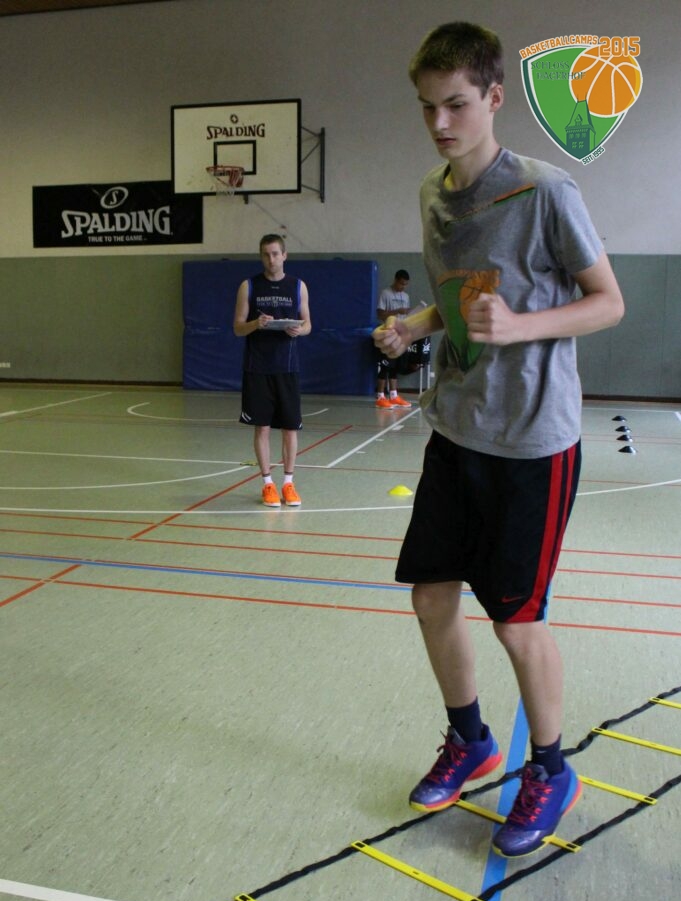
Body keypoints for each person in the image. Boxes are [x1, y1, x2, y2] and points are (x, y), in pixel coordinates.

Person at [373, 22, 624, 857]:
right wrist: (413, 325)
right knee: (431, 596)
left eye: (455, 104)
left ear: (492, 97)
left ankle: (550, 769)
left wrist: (519, 327)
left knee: (516, 622)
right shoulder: (432, 193)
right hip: (456, 428)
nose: (440, 123)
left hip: (531, 441)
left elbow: (607, 302)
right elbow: (460, 294)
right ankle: (470, 739)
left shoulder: (545, 191)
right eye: (426, 107)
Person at [233, 234, 311, 508]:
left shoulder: (298, 286)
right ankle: (268, 484)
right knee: (262, 427)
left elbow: (308, 324)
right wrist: (256, 323)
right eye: (266, 254)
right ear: (261, 256)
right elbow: (237, 328)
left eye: (276, 254)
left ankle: (288, 483)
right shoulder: (248, 286)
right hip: (257, 368)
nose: (271, 259)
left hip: (287, 368)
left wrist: (298, 330)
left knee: (290, 428)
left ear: (284, 255)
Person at [375, 270, 413, 409]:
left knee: (395, 366)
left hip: (400, 335)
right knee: (386, 365)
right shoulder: (385, 293)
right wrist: (397, 311)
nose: (403, 287)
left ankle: (393, 395)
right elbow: (380, 314)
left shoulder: (406, 296)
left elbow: (405, 316)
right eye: (401, 284)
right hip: (388, 334)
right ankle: (380, 396)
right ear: (395, 280)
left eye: (405, 285)